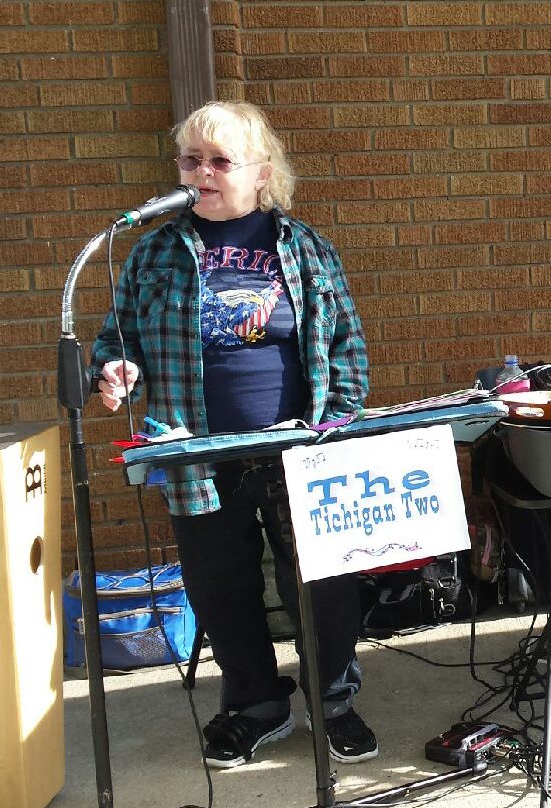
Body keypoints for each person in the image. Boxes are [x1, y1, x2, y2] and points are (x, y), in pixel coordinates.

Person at [91, 100, 374, 766]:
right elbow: (117, 336)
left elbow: (346, 343)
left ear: (262, 173)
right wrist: (118, 366)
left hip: (299, 446)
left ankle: (333, 700)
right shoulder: (155, 250)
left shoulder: (303, 247)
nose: (202, 172)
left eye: (220, 161)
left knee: (324, 583)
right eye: (191, 160)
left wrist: (339, 422)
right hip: (197, 450)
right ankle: (254, 704)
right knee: (220, 586)